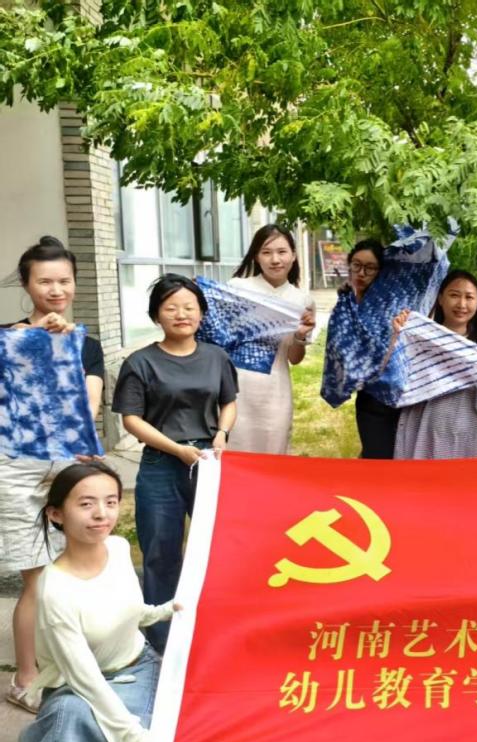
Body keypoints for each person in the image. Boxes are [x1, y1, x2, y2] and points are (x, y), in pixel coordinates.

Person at [19, 462, 179, 742]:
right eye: (86, 504)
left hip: (139, 667)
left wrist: (167, 610)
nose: (101, 514)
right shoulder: (54, 590)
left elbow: (129, 612)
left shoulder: (118, 548)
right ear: (56, 514)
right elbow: (85, 678)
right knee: (73, 719)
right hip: (78, 684)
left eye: (111, 502)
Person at [2, 237, 104, 714]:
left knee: (75, 573)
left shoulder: (87, 344)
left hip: (68, 463)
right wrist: (34, 341)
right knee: (38, 582)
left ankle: (77, 667)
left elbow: (88, 404)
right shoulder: (6, 340)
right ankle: (25, 678)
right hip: (16, 466)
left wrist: (63, 348)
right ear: (26, 285)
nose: (56, 290)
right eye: (45, 281)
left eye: (64, 281)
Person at [112, 274, 237, 653]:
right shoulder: (140, 362)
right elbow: (131, 420)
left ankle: (214, 628)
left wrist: (222, 434)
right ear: (156, 315)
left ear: (201, 313)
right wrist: (176, 449)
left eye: (189, 307)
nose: (181, 314)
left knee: (216, 549)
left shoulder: (216, 357)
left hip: (209, 463)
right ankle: (161, 640)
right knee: (161, 552)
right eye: (171, 308)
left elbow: (228, 402)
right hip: (161, 464)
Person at [391, 270, 477, 458]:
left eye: (469, 297)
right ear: (441, 299)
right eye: (454, 295)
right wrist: (398, 336)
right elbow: (393, 380)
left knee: (459, 478)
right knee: (418, 477)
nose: (462, 304)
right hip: (419, 428)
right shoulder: (420, 340)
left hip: (462, 436)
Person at [228, 224, 316, 454]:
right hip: (236, 390)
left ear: (294, 255)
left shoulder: (302, 300)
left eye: (282, 252)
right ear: (256, 257)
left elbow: (294, 359)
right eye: (266, 252)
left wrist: (300, 336)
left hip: (275, 393)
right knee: (234, 455)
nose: (275, 259)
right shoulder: (236, 289)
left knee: (273, 455)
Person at [342, 239, 400, 459]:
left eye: (370, 268)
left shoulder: (390, 306)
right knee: (375, 457)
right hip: (368, 397)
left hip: (395, 394)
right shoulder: (346, 303)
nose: (361, 273)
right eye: (356, 265)